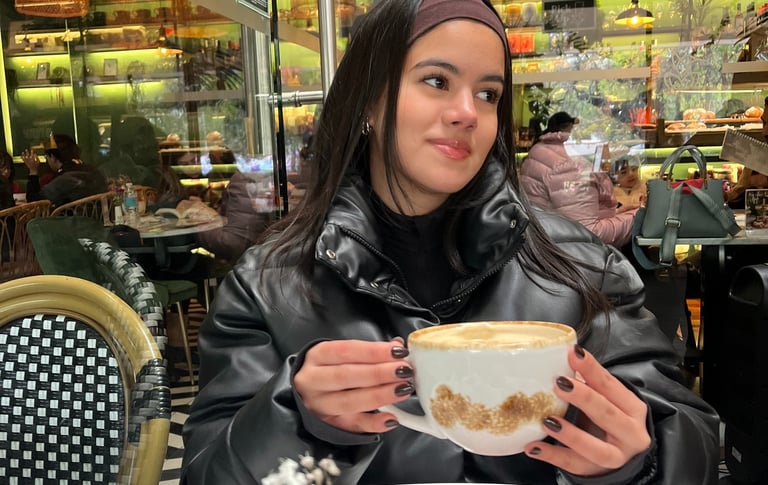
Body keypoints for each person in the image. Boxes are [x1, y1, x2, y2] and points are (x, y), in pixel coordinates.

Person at [182, 1, 719, 484]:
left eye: (488, 94)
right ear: (368, 101)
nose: (468, 112)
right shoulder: (268, 288)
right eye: (437, 81)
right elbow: (209, 474)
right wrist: (296, 418)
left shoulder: (576, 266)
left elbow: (689, 437)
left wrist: (638, 462)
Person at [520, 112, 639, 248]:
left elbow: (569, 213)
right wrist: (638, 216)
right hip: (567, 256)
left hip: (546, 248)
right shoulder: (572, 166)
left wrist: (618, 213)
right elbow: (588, 234)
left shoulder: (542, 149)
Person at [197, 171, 271, 264]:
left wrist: (197, 216)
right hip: (270, 262)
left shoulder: (247, 179)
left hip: (255, 264)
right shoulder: (272, 174)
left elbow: (233, 244)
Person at [22, 143, 108, 208]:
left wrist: (33, 171)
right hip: (98, 221)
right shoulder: (92, 170)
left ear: (53, 157)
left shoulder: (64, 179)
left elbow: (34, 202)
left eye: (46, 157)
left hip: (71, 223)